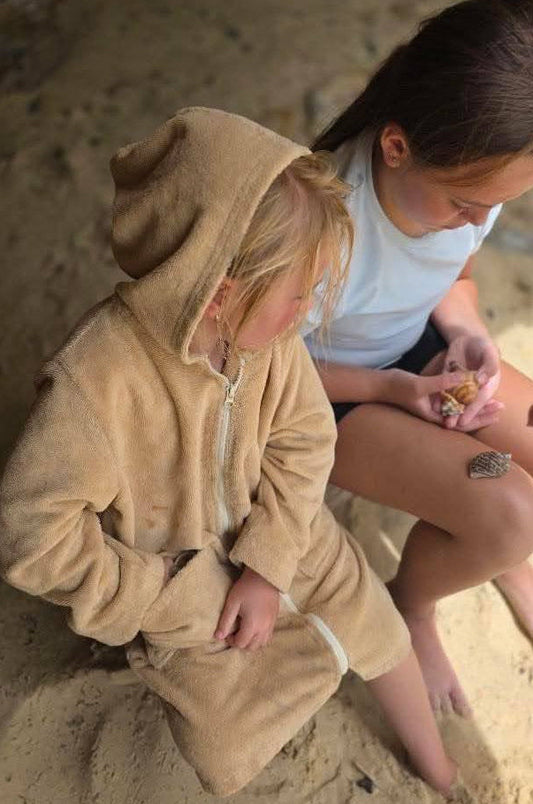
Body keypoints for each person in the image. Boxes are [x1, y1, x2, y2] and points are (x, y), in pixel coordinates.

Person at [0, 108, 460, 797]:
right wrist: (147, 592)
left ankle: (443, 773)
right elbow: (31, 533)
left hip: (284, 532)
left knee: (374, 621)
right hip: (181, 587)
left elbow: (306, 438)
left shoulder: (267, 346)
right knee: (222, 745)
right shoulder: (93, 386)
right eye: (298, 293)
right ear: (219, 293)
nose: (305, 312)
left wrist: (269, 566)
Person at [304, 0, 533, 717]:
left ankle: (492, 557)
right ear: (397, 147)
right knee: (509, 516)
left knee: (510, 477)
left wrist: (469, 334)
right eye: (467, 204)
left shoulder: (470, 174)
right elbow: (257, 367)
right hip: (331, 398)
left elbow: (452, 275)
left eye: (493, 207)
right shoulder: (319, 226)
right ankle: (414, 602)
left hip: (417, 357)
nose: (478, 220)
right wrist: (392, 389)